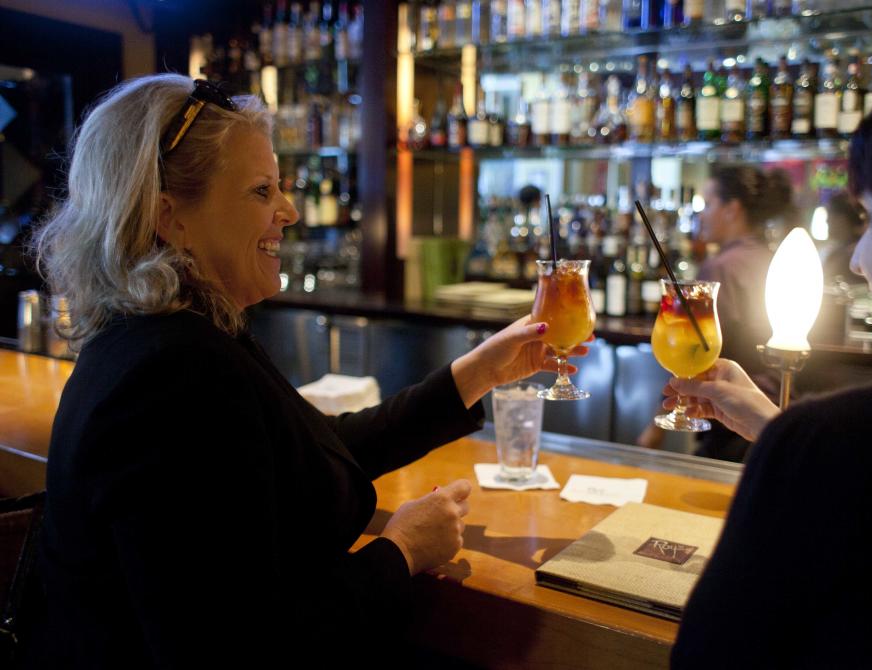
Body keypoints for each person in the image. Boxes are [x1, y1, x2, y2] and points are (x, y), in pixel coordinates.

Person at [26, 74, 590, 667]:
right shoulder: (174, 372)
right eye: (261, 191)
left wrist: (475, 374)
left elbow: (306, 455)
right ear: (171, 218)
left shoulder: (173, 334)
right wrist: (400, 552)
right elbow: (238, 652)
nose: (288, 211)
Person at [667, 69, 872, 666]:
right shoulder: (822, 444)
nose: (857, 261)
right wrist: (775, 426)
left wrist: (794, 445)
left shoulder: (833, 449)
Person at [640, 166, 792, 461]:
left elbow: (691, 353)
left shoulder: (720, 268)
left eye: (708, 204)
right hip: (771, 410)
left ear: (732, 209)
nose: (701, 215)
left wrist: (654, 428)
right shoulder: (771, 257)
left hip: (731, 420)